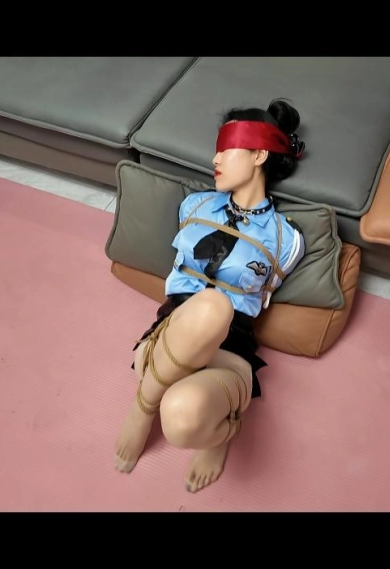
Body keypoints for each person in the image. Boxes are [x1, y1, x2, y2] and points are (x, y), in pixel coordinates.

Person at [114, 98, 307, 493]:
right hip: (169, 340)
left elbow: (264, 296)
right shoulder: (195, 205)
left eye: (226, 148)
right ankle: (142, 408)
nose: (215, 158)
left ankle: (223, 432)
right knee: (208, 307)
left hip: (229, 354)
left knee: (181, 419)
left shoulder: (287, 239)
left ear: (258, 154)